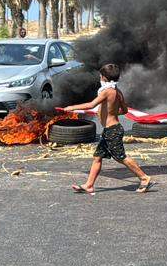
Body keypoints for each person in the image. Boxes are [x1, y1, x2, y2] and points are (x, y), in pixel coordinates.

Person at [65, 64, 153, 194]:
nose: (99, 78)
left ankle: (144, 177)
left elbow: (91, 104)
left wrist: (72, 107)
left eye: (100, 76)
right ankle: (89, 185)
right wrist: (110, 112)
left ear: (104, 77)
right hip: (110, 129)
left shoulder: (107, 91)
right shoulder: (117, 91)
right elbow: (124, 110)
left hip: (113, 130)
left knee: (120, 157)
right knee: (97, 157)